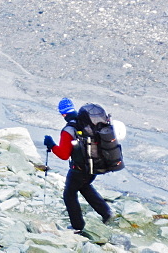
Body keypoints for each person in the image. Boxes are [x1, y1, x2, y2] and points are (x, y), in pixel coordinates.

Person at [44, 98, 115, 234]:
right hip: (94, 165)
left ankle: (77, 226)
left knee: (69, 194)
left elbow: (64, 155)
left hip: (79, 169)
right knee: (84, 186)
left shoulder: (69, 130)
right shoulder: (88, 123)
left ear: (63, 114)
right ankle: (106, 213)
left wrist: (51, 145)